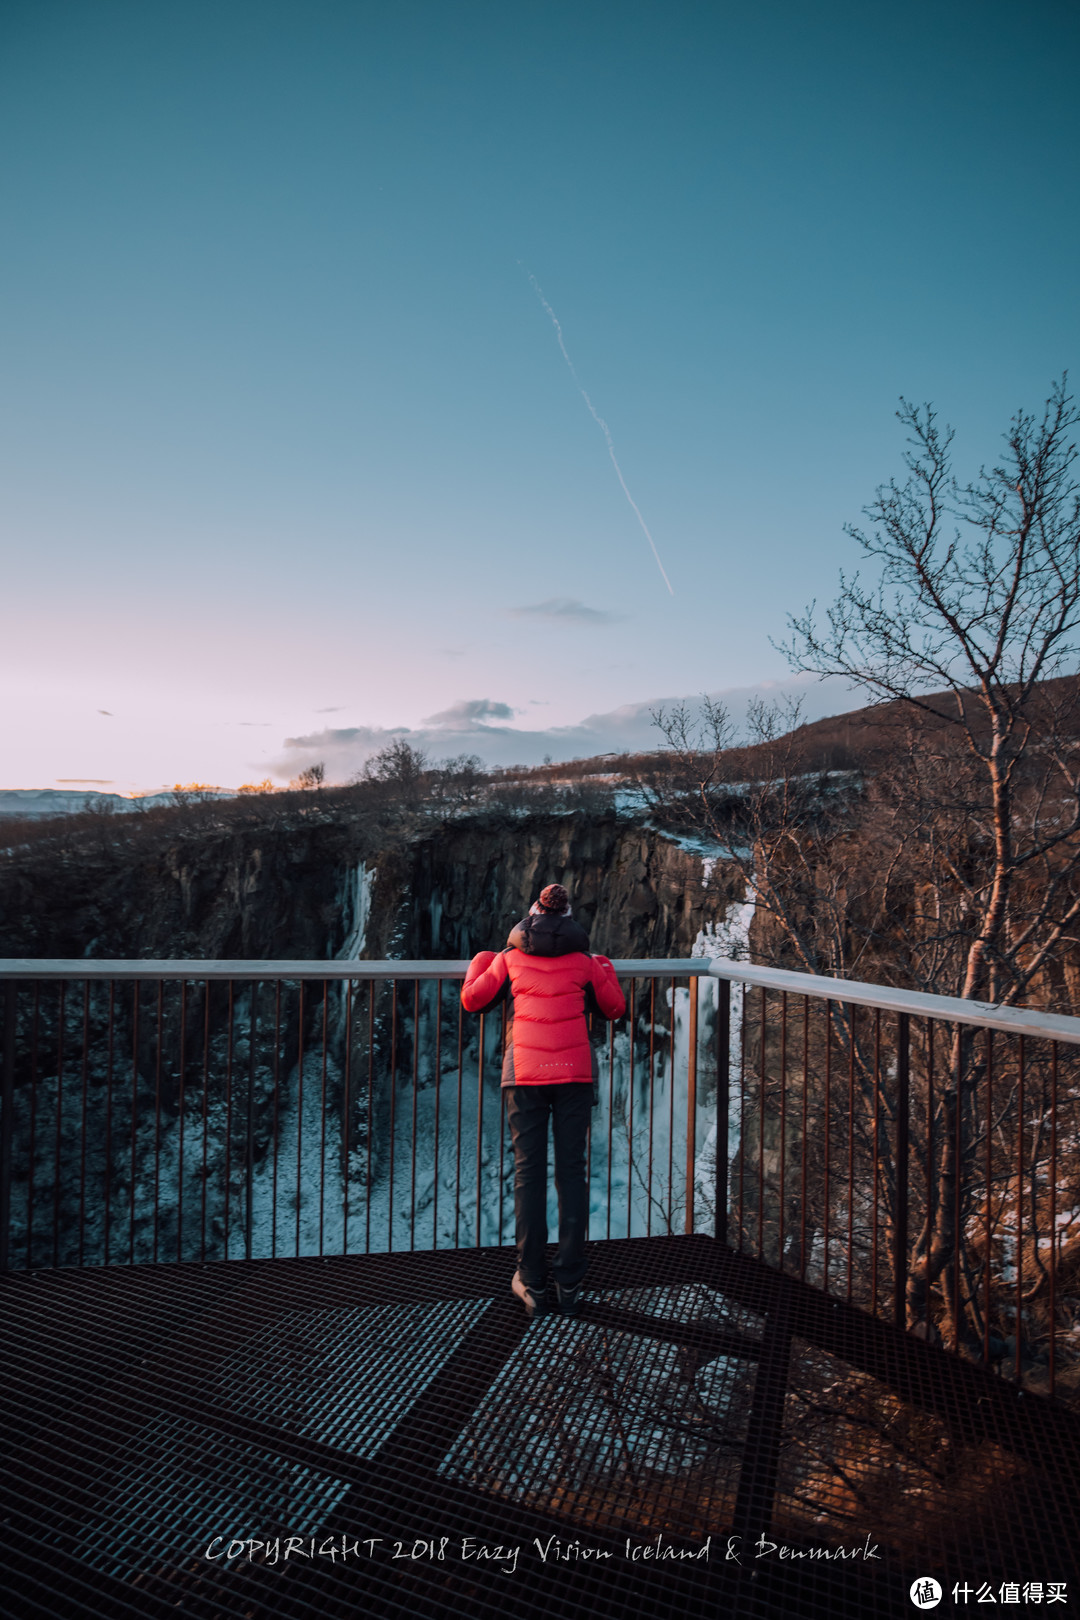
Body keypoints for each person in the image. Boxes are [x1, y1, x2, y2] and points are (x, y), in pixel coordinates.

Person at [461, 882, 625, 1320]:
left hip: (525, 1076)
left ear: (530, 917)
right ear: (569, 920)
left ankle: (531, 1279)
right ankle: (569, 1280)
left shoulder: (509, 959)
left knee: (527, 1173)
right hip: (574, 1076)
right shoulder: (586, 962)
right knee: (572, 1172)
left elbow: (472, 999)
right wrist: (604, 968)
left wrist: (482, 961)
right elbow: (613, 1008)